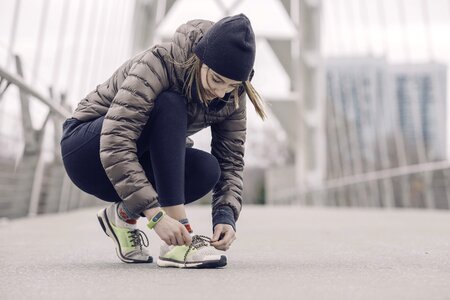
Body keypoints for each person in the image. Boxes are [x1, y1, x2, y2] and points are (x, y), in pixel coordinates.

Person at [60, 13, 266, 269]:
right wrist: (156, 216)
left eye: (233, 86)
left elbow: (231, 160)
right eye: (216, 80)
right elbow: (115, 140)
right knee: (170, 102)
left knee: (207, 169)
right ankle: (179, 239)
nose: (221, 92)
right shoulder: (161, 62)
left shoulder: (232, 95)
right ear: (200, 60)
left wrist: (226, 216)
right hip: (86, 152)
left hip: (131, 163)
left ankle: (123, 214)